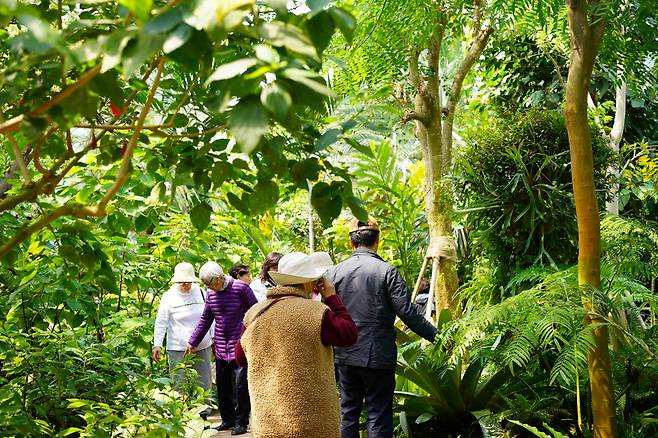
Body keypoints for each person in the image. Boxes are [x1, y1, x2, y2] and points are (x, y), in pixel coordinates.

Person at [326, 217, 438, 438]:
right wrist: (437, 335)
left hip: (345, 356)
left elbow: (325, 313)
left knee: (348, 414)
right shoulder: (387, 271)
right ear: (378, 240)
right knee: (378, 416)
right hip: (378, 355)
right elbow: (408, 313)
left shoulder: (334, 273)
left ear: (351, 243)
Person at [234, 252, 358, 438]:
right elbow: (349, 334)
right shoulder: (317, 312)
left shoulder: (255, 313)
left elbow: (240, 358)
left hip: (269, 420)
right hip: (314, 421)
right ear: (310, 282)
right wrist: (332, 297)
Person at [187, 262, 257, 436]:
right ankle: (228, 420)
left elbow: (256, 312)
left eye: (211, 284)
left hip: (240, 346)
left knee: (240, 387)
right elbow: (206, 319)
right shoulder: (211, 294)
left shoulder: (241, 288)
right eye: (206, 285)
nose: (209, 288)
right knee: (223, 386)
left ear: (219, 278)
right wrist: (193, 341)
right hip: (220, 346)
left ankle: (241, 422)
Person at [152, 262, 213, 419]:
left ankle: (203, 414)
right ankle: (182, 415)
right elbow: (161, 322)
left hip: (202, 345)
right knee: (180, 382)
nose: (185, 285)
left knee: (203, 381)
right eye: (181, 282)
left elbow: (210, 318)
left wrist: (213, 336)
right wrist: (157, 344)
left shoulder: (201, 293)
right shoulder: (169, 297)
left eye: (188, 282)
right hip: (178, 348)